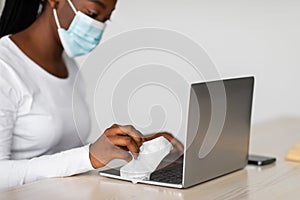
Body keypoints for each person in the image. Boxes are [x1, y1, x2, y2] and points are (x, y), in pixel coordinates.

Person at [0, 0, 183, 189]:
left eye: (105, 19)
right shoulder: (4, 69)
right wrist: (88, 156)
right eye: (93, 14)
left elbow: (65, 153)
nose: (97, 28)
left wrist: (137, 144)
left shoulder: (68, 66)